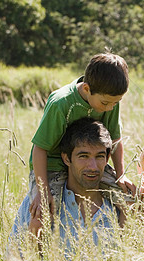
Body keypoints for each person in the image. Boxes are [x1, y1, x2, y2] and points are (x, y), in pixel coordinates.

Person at [28, 52, 135, 236]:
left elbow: (116, 139)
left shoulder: (110, 101)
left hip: (90, 161)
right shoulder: (61, 103)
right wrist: (42, 191)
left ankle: (123, 248)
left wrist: (120, 175)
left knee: (128, 199)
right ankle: (34, 258)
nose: (110, 108)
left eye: (115, 103)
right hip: (52, 164)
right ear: (86, 88)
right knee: (42, 214)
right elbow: (40, 148)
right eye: (105, 103)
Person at [10, 118, 123, 259]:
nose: (93, 166)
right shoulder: (39, 205)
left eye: (99, 156)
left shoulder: (120, 208)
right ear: (66, 159)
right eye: (83, 156)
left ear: (107, 159)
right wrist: (35, 234)